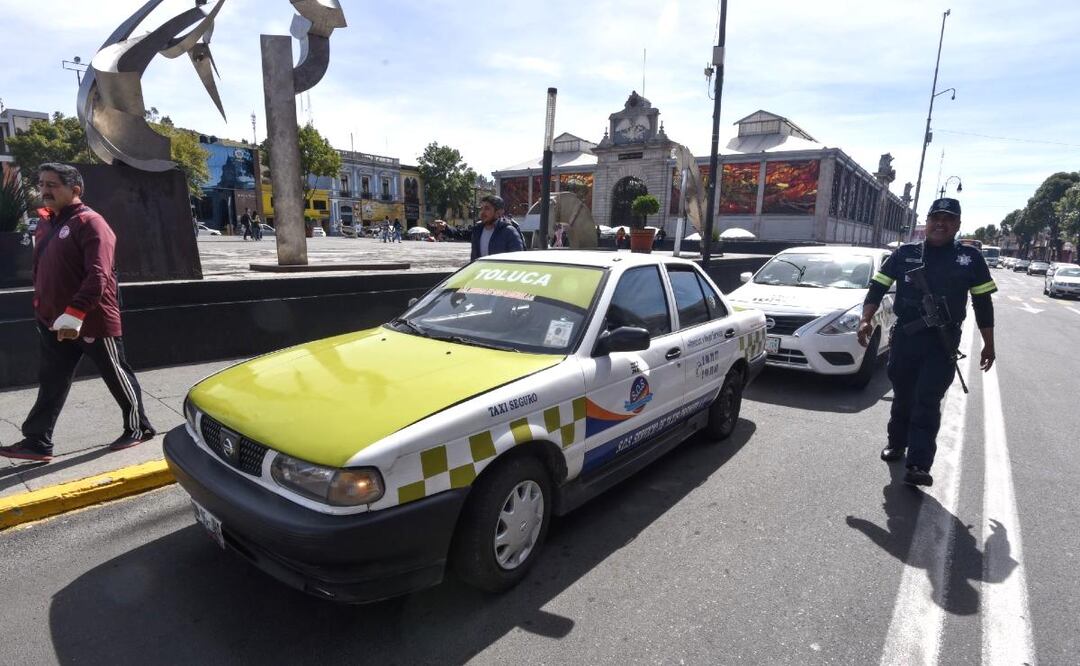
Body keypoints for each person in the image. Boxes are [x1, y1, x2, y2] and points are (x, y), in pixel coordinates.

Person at [0, 164, 155, 463]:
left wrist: (75, 311)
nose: (45, 190)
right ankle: (37, 441)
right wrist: (43, 309)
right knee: (52, 381)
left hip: (91, 319)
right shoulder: (46, 223)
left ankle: (139, 428)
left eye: (53, 184)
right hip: (53, 322)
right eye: (42, 183)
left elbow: (98, 275)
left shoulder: (91, 223)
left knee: (116, 374)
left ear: (75, 190)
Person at [857, 198, 996, 487]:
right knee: (904, 396)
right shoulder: (905, 254)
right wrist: (865, 319)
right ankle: (896, 443)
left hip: (942, 343)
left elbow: (983, 302)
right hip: (907, 338)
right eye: (936, 218)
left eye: (948, 219)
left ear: (957, 225)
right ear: (928, 221)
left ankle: (919, 463)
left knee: (927, 400)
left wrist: (988, 343)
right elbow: (878, 287)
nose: (940, 224)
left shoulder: (970, 258)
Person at [470, 195, 525, 261]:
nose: (482, 212)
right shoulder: (477, 231)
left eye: (487, 208)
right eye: (481, 208)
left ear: (499, 212)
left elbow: (518, 259)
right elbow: (473, 260)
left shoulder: (509, 232)